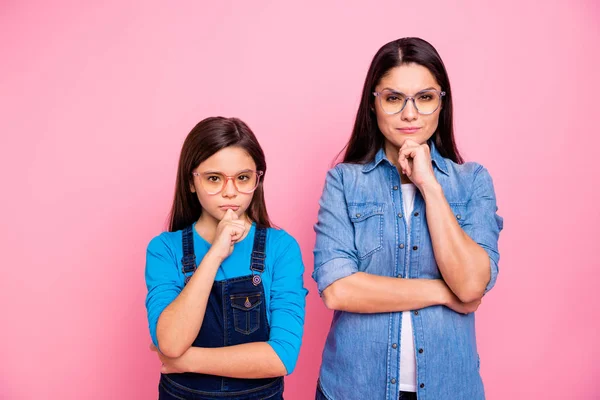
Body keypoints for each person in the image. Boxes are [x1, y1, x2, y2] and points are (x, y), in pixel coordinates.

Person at [312, 37, 503, 400]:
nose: (410, 114)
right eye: (394, 98)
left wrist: (430, 185)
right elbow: (338, 290)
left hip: (450, 389)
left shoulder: (472, 182)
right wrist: (443, 293)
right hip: (352, 388)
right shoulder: (344, 182)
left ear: (441, 104)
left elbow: (471, 283)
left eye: (425, 97)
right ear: (374, 104)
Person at [145, 116, 307, 400]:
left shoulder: (281, 248)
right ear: (191, 182)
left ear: (258, 179)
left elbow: (281, 357)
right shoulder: (164, 249)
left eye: (243, 178)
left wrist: (186, 361)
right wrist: (215, 254)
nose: (230, 191)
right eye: (214, 178)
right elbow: (171, 342)